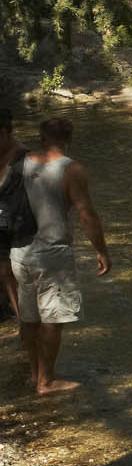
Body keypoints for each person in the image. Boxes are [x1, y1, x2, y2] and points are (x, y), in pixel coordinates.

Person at [14, 118, 109, 396]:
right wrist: (101, 251)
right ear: (69, 139)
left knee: (29, 319)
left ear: (41, 137)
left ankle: (35, 375)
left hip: (20, 251)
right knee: (52, 320)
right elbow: (86, 214)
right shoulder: (72, 169)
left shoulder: (25, 162)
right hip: (53, 252)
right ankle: (47, 381)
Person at [0, 109, 26, 320]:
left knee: (18, 272)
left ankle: (25, 318)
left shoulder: (24, 158)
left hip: (21, 225)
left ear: (6, 132)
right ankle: (19, 315)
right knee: (5, 271)